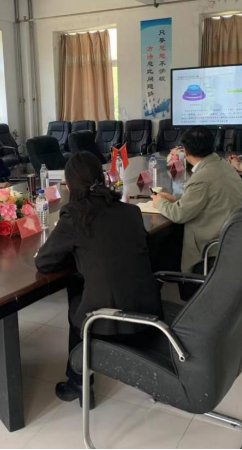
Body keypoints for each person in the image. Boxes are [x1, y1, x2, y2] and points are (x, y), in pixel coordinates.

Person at [35, 152, 162, 407]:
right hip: (150, 316)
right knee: (91, 283)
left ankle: (79, 382)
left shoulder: (74, 215)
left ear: (69, 185)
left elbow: (45, 262)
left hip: (109, 323)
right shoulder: (131, 211)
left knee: (76, 289)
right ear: (103, 178)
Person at [152, 126, 242, 276]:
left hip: (213, 247)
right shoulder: (223, 164)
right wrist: (176, 199)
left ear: (186, 152)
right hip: (234, 240)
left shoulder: (201, 178)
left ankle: (168, 278)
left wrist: (160, 202)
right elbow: (207, 197)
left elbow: (179, 215)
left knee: (163, 244)